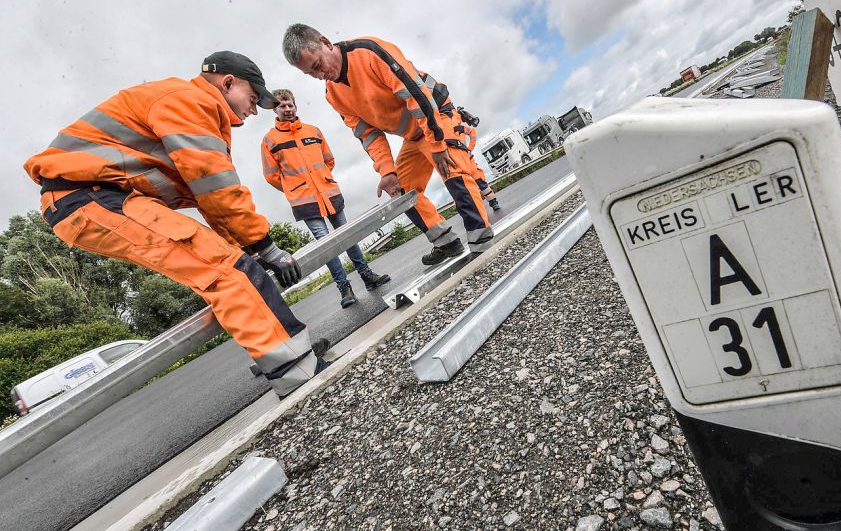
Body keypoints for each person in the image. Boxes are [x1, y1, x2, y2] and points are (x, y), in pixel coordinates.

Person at [24, 51, 326, 398]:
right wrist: (265, 247)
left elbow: (208, 199)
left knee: (234, 263)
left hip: (95, 199)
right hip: (88, 197)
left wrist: (249, 248)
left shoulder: (187, 105)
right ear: (228, 83)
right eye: (253, 97)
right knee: (227, 271)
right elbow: (218, 189)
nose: (254, 110)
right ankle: (300, 373)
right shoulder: (191, 102)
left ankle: (289, 358)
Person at [281, 24, 494, 266]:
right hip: (413, 135)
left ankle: (482, 244)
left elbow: (417, 96)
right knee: (401, 192)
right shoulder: (333, 94)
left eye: (318, 65)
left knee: (451, 169)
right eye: (311, 74)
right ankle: (445, 242)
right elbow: (368, 135)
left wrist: (437, 144)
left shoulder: (370, 52)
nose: (320, 76)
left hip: (436, 116)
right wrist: (387, 171)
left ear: (326, 43)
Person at [260, 89, 390, 308]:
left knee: (348, 237)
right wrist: (295, 188)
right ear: (275, 109)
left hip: (329, 193)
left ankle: (367, 276)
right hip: (304, 201)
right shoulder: (270, 140)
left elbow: (329, 160)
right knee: (326, 246)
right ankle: (344, 288)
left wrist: (322, 180)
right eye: (282, 106)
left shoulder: (314, 131)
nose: (287, 109)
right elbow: (271, 176)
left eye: (290, 104)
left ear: (295, 105)